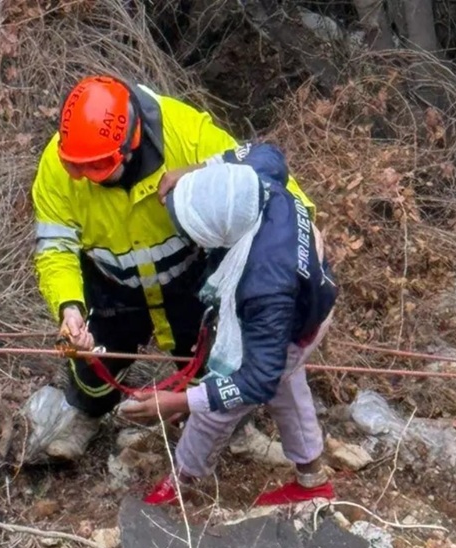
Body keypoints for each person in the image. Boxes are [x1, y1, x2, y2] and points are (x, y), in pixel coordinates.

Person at [30, 73, 318, 462]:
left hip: (192, 277)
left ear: (130, 145)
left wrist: (301, 248)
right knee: (94, 361)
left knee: (211, 360)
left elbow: (273, 189)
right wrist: (69, 306)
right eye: (76, 168)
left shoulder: (188, 134)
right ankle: (86, 415)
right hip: (110, 282)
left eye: (97, 168)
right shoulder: (59, 165)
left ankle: (225, 431)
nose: (83, 179)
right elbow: (55, 247)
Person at [120, 142, 338, 507]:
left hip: (293, 316)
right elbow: (269, 151)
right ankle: (313, 480)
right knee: (288, 379)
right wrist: (192, 172)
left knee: (217, 404)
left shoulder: (262, 285)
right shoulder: (257, 179)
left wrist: (180, 400)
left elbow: (257, 380)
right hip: (311, 295)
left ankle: (181, 482)